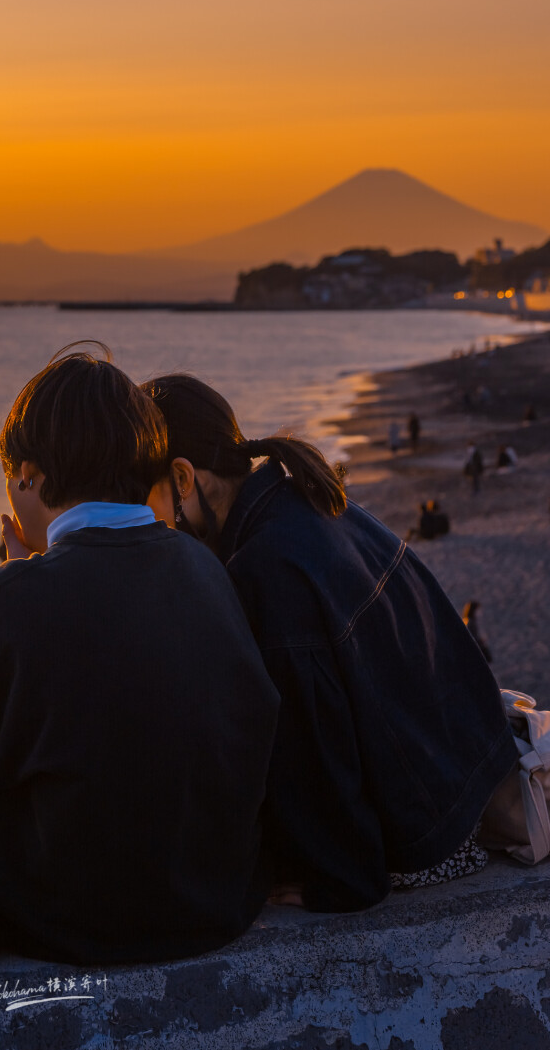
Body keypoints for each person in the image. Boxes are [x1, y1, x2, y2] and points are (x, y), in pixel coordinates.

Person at [0, 349, 279, 964]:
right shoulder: (202, 567)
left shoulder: (8, 598)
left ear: (28, 474)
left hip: (74, 919)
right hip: (214, 903)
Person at [142, 373, 518, 915]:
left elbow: (312, 739)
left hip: (432, 836)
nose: (140, 518)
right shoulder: (297, 496)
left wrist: (339, 878)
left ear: (182, 478)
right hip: (462, 778)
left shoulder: (264, 566)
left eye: (140, 495)